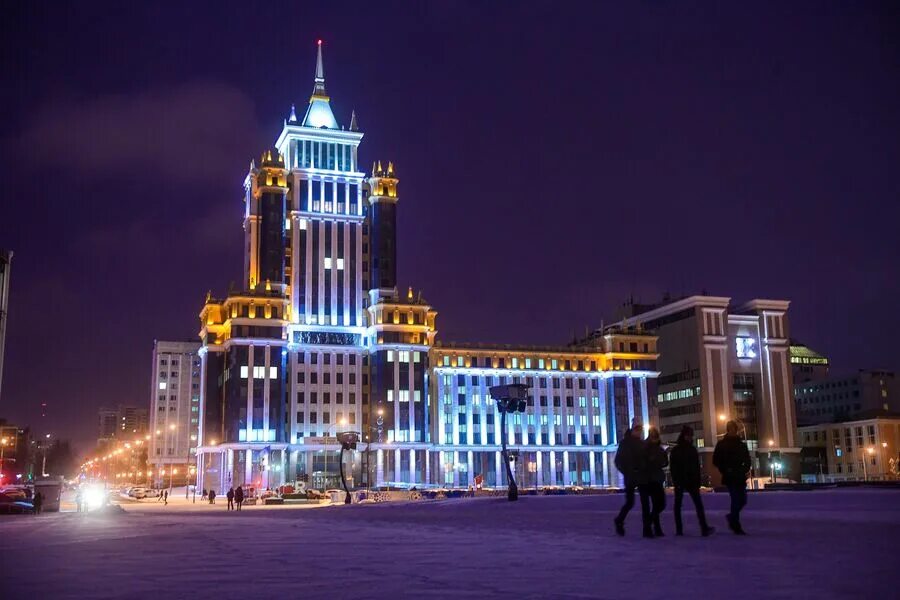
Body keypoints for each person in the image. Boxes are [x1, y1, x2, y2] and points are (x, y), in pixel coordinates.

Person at [670, 425, 714, 537]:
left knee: (680, 505)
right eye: (689, 435)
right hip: (688, 481)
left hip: (684, 481)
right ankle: (702, 528)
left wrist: (676, 480)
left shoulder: (679, 450)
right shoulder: (689, 450)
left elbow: (675, 468)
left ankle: (681, 530)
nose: (690, 438)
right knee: (696, 505)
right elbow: (694, 467)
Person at [713, 420, 752, 535]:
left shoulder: (741, 444)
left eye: (734, 429)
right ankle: (735, 525)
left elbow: (747, 460)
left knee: (742, 500)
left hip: (739, 476)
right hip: (730, 476)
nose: (732, 431)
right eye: (730, 429)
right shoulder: (722, 444)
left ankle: (732, 517)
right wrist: (725, 469)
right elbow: (716, 460)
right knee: (735, 499)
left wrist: (744, 470)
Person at [613, 421, 645, 536]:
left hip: (641, 477)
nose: (639, 431)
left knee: (645, 502)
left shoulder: (641, 443)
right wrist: (628, 472)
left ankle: (648, 528)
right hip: (631, 477)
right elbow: (618, 461)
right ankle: (619, 520)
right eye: (637, 429)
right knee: (630, 502)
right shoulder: (625, 443)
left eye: (640, 429)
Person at [638, 426, 668, 538]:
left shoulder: (659, 448)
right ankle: (652, 528)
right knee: (654, 505)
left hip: (656, 479)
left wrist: (659, 461)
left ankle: (651, 526)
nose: (654, 438)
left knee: (659, 504)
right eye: (653, 436)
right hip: (648, 480)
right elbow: (641, 463)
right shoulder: (645, 448)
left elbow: (665, 462)